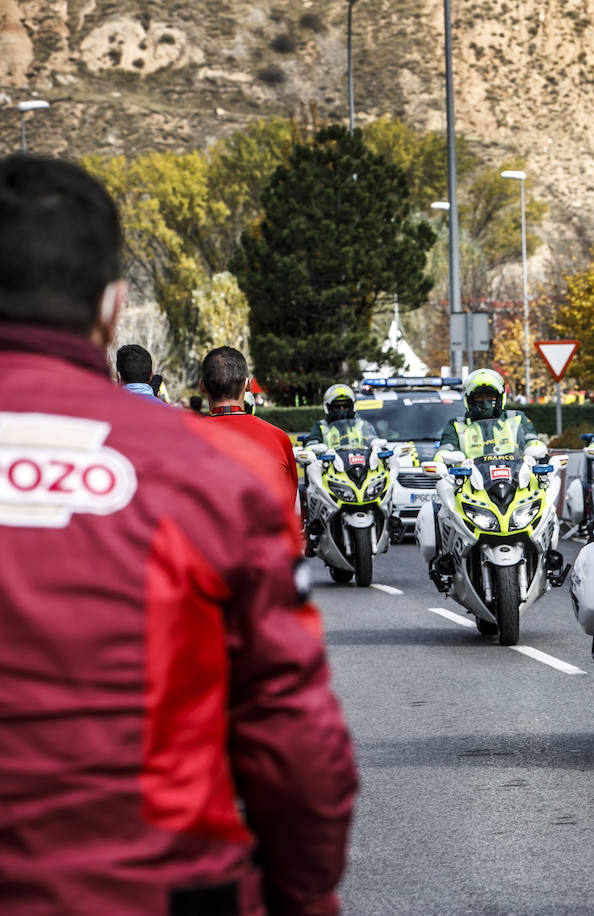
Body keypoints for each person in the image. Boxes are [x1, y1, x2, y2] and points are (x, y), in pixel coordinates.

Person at [0, 155, 355, 914]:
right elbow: (292, 736)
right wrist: (305, 898)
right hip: (159, 889)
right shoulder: (205, 472)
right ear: (111, 306)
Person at [201, 346, 299, 501]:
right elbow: (290, 505)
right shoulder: (278, 439)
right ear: (248, 385)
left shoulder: (181, 440)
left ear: (202, 386)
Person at [438, 367, 538, 456]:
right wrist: (444, 457)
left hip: (515, 475)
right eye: (479, 396)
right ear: (469, 399)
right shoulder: (457, 425)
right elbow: (444, 452)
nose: (485, 401)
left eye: (490, 396)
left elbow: (533, 442)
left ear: (500, 398)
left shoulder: (516, 418)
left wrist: (537, 448)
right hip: (471, 476)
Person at [304, 383, 378, 448]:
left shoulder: (361, 425)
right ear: (329, 408)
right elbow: (311, 446)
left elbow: (372, 441)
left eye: (345, 406)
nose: (342, 410)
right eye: (337, 407)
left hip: (360, 462)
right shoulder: (321, 427)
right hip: (330, 463)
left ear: (352, 407)